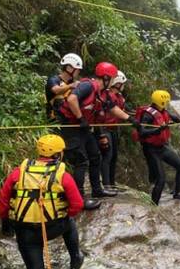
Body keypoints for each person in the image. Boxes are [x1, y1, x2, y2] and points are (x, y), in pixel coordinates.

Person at [0, 134, 85, 269]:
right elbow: (77, 204)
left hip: (25, 230)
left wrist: (5, 221)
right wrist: (65, 213)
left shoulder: (18, 173)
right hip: (54, 226)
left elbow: (3, 201)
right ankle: (75, 258)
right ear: (57, 154)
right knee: (70, 222)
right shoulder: (63, 176)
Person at [57, 62, 138, 209]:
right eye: (112, 79)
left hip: (84, 128)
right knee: (81, 162)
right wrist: (81, 118)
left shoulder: (104, 93)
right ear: (106, 78)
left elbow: (112, 108)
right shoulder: (88, 85)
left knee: (95, 156)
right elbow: (71, 99)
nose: (113, 82)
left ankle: (97, 190)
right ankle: (79, 199)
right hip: (72, 127)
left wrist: (130, 119)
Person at [135, 89, 180, 204]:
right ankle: (154, 204)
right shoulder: (148, 114)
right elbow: (142, 131)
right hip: (151, 150)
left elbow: (173, 117)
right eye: (165, 101)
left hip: (162, 147)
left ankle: (178, 193)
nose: (166, 103)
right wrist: (157, 130)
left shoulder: (162, 111)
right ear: (159, 102)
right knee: (161, 179)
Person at [98, 71, 127, 191]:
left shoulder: (119, 97)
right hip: (105, 129)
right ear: (118, 83)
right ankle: (106, 185)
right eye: (122, 83)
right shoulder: (107, 96)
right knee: (107, 156)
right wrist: (102, 134)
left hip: (114, 129)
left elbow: (124, 112)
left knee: (113, 157)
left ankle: (112, 183)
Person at [45, 53, 82, 122]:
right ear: (68, 68)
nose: (79, 71)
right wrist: (71, 86)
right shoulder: (54, 79)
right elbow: (56, 90)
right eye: (77, 69)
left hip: (67, 120)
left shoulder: (72, 82)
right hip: (54, 122)